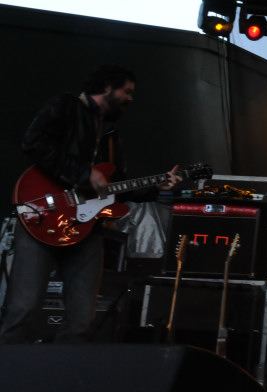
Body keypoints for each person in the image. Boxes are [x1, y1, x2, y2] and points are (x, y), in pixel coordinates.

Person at [0, 64, 182, 344]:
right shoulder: (65, 106)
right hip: (43, 215)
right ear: (107, 87)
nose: (131, 98)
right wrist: (83, 174)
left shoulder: (110, 135)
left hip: (86, 230)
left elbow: (114, 188)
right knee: (23, 311)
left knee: (81, 321)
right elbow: (33, 143)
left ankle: (62, 370)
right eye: (127, 91)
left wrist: (154, 187)